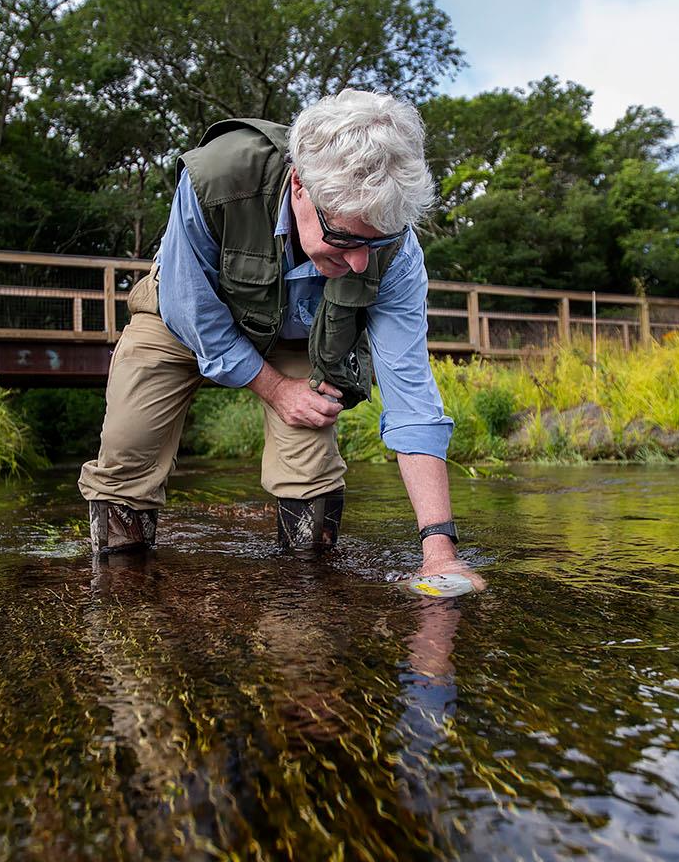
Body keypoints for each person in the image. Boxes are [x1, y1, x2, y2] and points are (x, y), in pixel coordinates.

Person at [78, 89, 477, 585]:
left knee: (311, 469)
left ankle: (305, 608)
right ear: (299, 186)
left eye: (373, 245)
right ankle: (121, 593)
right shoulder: (217, 176)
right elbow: (190, 309)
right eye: (345, 239)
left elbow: (412, 399)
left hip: (297, 335)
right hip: (181, 317)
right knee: (126, 451)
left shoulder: (396, 252)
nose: (358, 263)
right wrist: (272, 388)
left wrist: (439, 550)